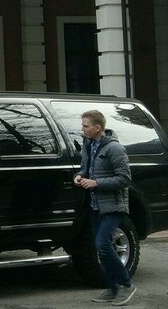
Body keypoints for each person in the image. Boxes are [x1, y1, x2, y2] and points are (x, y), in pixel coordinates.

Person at [73, 109, 136, 306]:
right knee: (100, 247)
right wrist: (79, 177)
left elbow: (125, 179)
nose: (83, 129)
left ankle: (126, 285)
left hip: (113, 206)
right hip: (94, 205)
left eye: (85, 126)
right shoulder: (88, 144)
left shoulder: (115, 149)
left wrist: (96, 183)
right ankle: (113, 288)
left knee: (102, 244)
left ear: (97, 127)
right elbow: (85, 169)